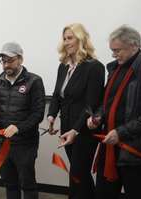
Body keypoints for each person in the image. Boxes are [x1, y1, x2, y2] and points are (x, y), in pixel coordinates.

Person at [87, 25, 141, 199]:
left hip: (133, 151)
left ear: (134, 46)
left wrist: (120, 133)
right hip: (109, 148)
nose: (114, 55)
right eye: (112, 50)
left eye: (117, 50)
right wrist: (98, 117)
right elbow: (105, 103)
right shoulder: (114, 69)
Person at [47, 23, 105, 199]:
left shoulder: (94, 67)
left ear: (81, 39)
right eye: (64, 38)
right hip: (67, 127)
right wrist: (51, 115)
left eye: (70, 38)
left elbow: (91, 104)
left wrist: (76, 129)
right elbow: (57, 95)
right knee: (80, 175)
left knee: (78, 174)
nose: (66, 42)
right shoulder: (63, 66)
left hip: (84, 130)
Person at [0, 42, 46, 199]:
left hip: (25, 143)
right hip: (3, 142)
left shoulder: (34, 81)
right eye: (3, 61)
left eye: (10, 60)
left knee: (27, 184)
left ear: (20, 59)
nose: (6, 65)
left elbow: (38, 114)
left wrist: (18, 127)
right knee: (9, 183)